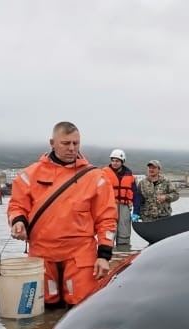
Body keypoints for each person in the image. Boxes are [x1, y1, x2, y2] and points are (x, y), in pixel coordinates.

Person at [7, 121, 117, 308]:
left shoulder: (95, 177)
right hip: (41, 253)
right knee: (39, 311)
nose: (72, 148)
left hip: (80, 254)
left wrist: (104, 255)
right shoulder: (30, 174)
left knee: (83, 308)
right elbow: (17, 205)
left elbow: (106, 218)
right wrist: (18, 222)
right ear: (52, 143)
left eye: (76, 143)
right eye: (66, 143)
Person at [104, 148, 139, 252]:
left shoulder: (130, 177)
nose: (114, 163)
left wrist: (136, 212)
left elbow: (136, 195)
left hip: (125, 208)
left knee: (124, 235)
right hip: (109, 207)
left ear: (122, 162)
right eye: (113, 160)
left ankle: (123, 254)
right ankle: (107, 258)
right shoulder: (103, 174)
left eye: (117, 161)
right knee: (108, 233)